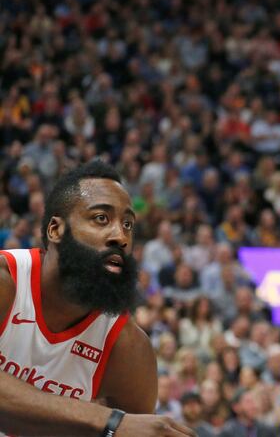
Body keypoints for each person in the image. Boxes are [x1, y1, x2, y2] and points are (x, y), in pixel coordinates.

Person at [0, 161, 193, 436]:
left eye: (128, 224)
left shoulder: (127, 347)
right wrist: (108, 422)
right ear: (55, 230)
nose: (121, 237)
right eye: (101, 218)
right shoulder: (6, 282)